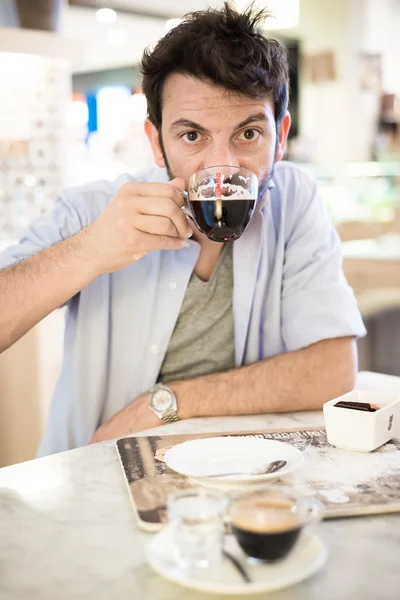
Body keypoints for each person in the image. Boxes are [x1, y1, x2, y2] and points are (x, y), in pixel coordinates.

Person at [0, 3, 365, 456]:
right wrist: (92, 248)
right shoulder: (94, 209)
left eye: (248, 134)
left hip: (240, 474)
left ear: (281, 136)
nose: (222, 167)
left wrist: (167, 404)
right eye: (192, 136)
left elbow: (331, 369)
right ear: (157, 142)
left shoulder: (294, 200)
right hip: (95, 476)